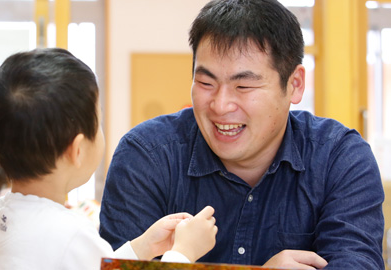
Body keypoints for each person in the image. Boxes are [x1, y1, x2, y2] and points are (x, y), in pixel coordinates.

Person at [99, 0, 384, 269]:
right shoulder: (147, 156)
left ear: (295, 84)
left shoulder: (340, 158)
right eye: (205, 82)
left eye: (243, 87)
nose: (221, 106)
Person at [0, 48, 218, 269]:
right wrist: (183, 253)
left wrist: (144, 246)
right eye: (98, 122)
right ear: (77, 150)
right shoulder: (72, 234)